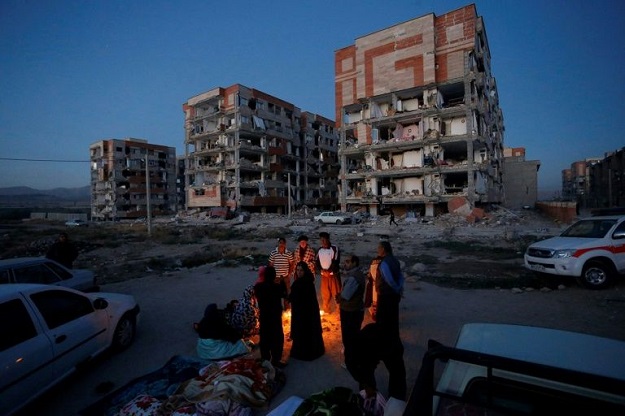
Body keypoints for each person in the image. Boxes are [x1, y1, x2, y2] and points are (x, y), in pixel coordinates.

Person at [352, 240, 407, 400]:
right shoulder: (395, 260)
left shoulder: (383, 263)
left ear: (384, 249)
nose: (377, 250)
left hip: (386, 296)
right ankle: (397, 396)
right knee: (393, 320)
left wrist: (394, 289)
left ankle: (370, 398)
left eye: (378, 248)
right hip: (394, 296)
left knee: (383, 319)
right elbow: (400, 278)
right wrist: (399, 289)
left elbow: (388, 280)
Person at [288, 261, 325, 361]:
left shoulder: (304, 283)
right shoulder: (306, 282)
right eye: (298, 270)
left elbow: (294, 297)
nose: (299, 272)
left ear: (305, 271)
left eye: (301, 270)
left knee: (304, 332)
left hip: (304, 313)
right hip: (304, 312)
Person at [254, 265, 288, 368]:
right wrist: (282, 282)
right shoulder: (276, 287)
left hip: (264, 317)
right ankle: (276, 360)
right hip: (275, 317)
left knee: (264, 338)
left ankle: (265, 359)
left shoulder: (258, 287)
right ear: (274, 275)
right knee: (277, 338)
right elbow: (285, 294)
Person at [337, 254, 366, 370]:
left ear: (354, 263)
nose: (345, 263)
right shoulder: (357, 274)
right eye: (345, 261)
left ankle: (350, 362)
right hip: (354, 309)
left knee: (349, 337)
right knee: (353, 336)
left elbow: (346, 295)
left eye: (348, 262)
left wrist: (339, 297)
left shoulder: (354, 277)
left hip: (350, 311)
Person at [316, 231, 341, 314]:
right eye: (321, 240)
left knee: (336, 293)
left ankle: (339, 310)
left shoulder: (334, 248)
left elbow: (336, 261)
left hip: (333, 275)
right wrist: (321, 270)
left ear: (328, 239)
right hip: (324, 276)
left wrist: (329, 271)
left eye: (324, 239)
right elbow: (317, 262)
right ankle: (326, 310)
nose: (322, 241)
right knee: (325, 294)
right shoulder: (320, 250)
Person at [269, 237, 294, 310]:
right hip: (276, 278)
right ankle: (277, 310)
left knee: (287, 295)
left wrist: (289, 273)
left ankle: (287, 310)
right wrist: (272, 276)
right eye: (280, 243)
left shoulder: (288, 253)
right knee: (276, 295)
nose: (281, 245)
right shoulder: (273, 253)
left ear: (285, 244)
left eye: (283, 243)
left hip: (285, 277)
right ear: (278, 243)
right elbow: (270, 264)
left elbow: (292, 264)